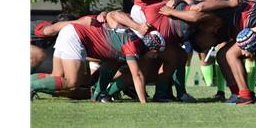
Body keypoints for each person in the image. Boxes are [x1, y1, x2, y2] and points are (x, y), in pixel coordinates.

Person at [31, 21, 164, 104]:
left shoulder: (133, 43)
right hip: (76, 36)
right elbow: (137, 75)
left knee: (56, 75)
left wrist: (97, 95)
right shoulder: (133, 46)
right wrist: (144, 103)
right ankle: (30, 87)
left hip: (71, 32)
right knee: (72, 82)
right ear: (151, 48)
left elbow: (111, 66)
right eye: (156, 52)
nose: (156, 56)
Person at [180, 0, 216, 90]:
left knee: (204, 54)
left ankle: (209, 84)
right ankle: (183, 83)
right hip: (186, 26)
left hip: (202, 27)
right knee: (186, 55)